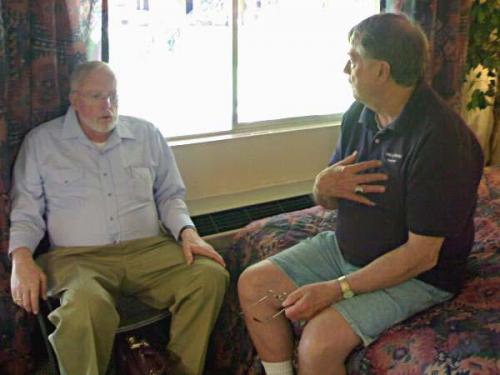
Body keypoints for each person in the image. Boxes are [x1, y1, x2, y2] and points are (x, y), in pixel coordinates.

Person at [238, 13, 484, 375]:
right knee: (254, 286)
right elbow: (331, 195)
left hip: (418, 276)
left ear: (382, 71)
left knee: (318, 345)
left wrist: (337, 289)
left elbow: (422, 256)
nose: (345, 68)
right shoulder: (360, 114)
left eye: (354, 59)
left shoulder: (441, 140)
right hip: (347, 248)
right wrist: (321, 187)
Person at [9, 61, 229, 375]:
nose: (107, 105)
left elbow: (169, 195)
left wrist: (188, 232)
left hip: (148, 250)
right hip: (77, 259)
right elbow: (26, 212)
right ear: (74, 99)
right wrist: (21, 259)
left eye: (112, 95)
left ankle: (178, 369)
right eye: (96, 96)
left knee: (210, 276)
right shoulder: (42, 143)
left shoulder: (146, 134)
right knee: (84, 307)